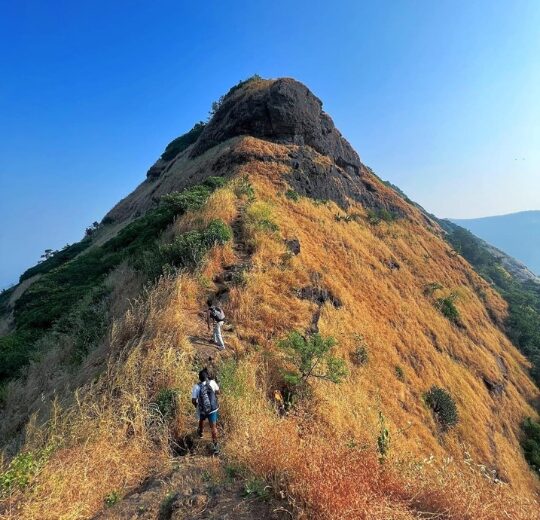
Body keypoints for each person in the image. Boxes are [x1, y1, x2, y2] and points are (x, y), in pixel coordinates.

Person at [191, 368, 220, 454]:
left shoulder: (196, 387)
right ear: (207, 377)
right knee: (213, 427)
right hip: (213, 409)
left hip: (202, 409)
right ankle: (216, 446)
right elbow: (218, 392)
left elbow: (193, 400)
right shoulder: (212, 383)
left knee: (201, 419)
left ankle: (200, 432)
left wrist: (197, 406)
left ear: (199, 378)